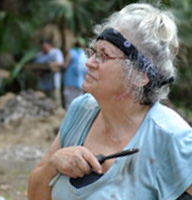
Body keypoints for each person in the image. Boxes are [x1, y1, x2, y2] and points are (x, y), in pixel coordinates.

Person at [28, 3, 192, 200]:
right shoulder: (81, 110)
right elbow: (35, 195)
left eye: (104, 55)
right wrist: (53, 165)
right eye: (93, 52)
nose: (89, 62)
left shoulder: (172, 137)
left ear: (139, 75)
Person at [34, 38, 64, 105]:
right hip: (42, 84)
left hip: (54, 82)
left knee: (55, 101)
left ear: (50, 45)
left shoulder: (56, 52)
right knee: (43, 102)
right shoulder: (39, 55)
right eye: (43, 47)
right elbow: (36, 67)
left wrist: (49, 65)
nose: (44, 49)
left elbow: (60, 63)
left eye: (46, 47)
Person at [62, 39, 88, 109]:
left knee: (69, 102)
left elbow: (65, 66)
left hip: (70, 81)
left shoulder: (71, 52)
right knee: (78, 103)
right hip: (80, 82)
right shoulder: (84, 54)